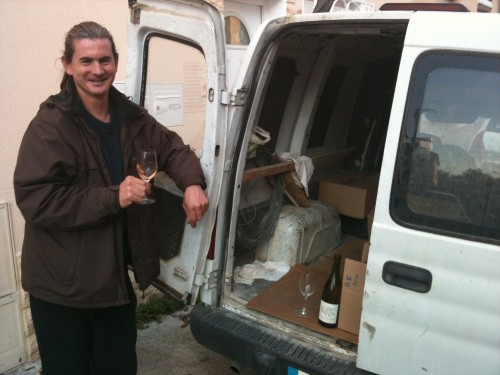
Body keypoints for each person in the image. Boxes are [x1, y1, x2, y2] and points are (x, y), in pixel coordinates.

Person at [13, 21, 209, 375]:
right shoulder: (50, 126)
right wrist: (112, 197)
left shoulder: (130, 116)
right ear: (68, 64)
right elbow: (37, 200)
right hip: (62, 288)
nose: (97, 70)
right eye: (86, 61)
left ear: (116, 62)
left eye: (105, 60)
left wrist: (192, 183)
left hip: (112, 281)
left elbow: (173, 149)